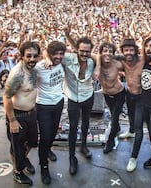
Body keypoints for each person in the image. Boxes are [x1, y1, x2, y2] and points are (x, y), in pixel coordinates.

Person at [126, 37, 151, 172]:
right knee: (139, 131)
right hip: (142, 102)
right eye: (146, 46)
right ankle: (133, 157)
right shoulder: (143, 61)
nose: (148, 48)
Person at [3, 41, 40, 185]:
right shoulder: (17, 74)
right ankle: (17, 172)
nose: (32, 59)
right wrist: (12, 120)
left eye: (35, 56)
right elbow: (6, 97)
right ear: (22, 56)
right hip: (18, 115)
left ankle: (23, 160)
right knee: (17, 147)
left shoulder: (35, 68)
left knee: (31, 142)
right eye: (28, 56)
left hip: (32, 113)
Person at [62, 36, 96, 175]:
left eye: (87, 51)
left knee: (86, 122)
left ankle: (83, 146)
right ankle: (72, 157)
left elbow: (101, 57)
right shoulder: (68, 58)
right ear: (76, 50)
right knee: (73, 126)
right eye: (81, 51)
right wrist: (46, 58)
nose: (84, 54)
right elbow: (49, 52)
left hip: (88, 95)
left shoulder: (93, 61)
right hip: (73, 97)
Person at [35, 41, 66, 184]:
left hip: (58, 103)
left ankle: (47, 150)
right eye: (55, 54)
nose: (59, 56)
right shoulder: (39, 67)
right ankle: (44, 167)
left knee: (53, 133)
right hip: (43, 106)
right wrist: (46, 56)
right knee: (45, 136)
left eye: (61, 53)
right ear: (50, 53)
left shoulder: (62, 62)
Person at [97, 42, 126, 154]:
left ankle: (110, 141)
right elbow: (78, 49)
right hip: (106, 94)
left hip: (119, 93)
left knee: (114, 118)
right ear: (100, 53)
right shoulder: (97, 61)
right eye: (105, 51)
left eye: (110, 51)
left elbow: (133, 65)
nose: (107, 54)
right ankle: (117, 128)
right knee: (112, 114)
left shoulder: (117, 64)